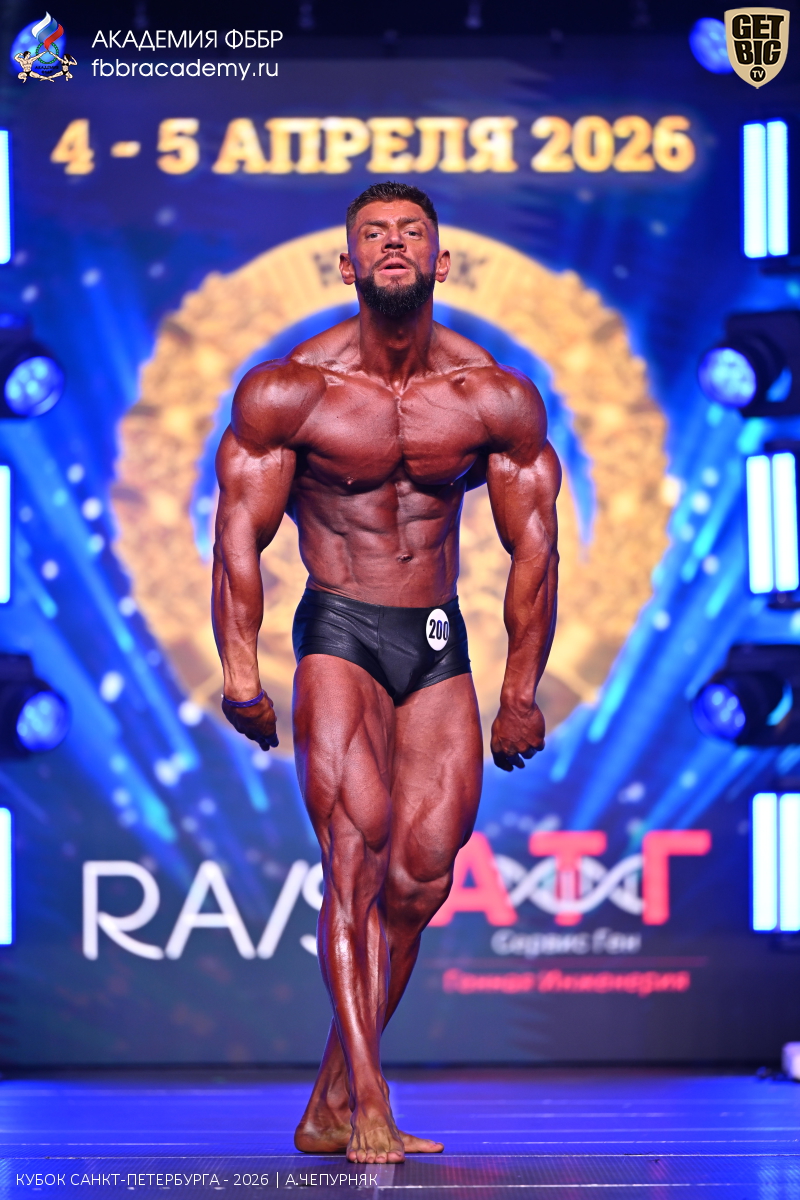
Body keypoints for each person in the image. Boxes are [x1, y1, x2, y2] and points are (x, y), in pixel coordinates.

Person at [212, 181, 560, 1165]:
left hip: (436, 633)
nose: (393, 244)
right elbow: (237, 537)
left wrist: (519, 693)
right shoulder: (292, 391)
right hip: (341, 627)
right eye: (374, 234)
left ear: (441, 261)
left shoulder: (491, 395)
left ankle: (328, 1098)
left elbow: (535, 549)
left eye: (412, 232)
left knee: (418, 882)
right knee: (353, 863)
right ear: (347, 263)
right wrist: (240, 670)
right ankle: (369, 1102)